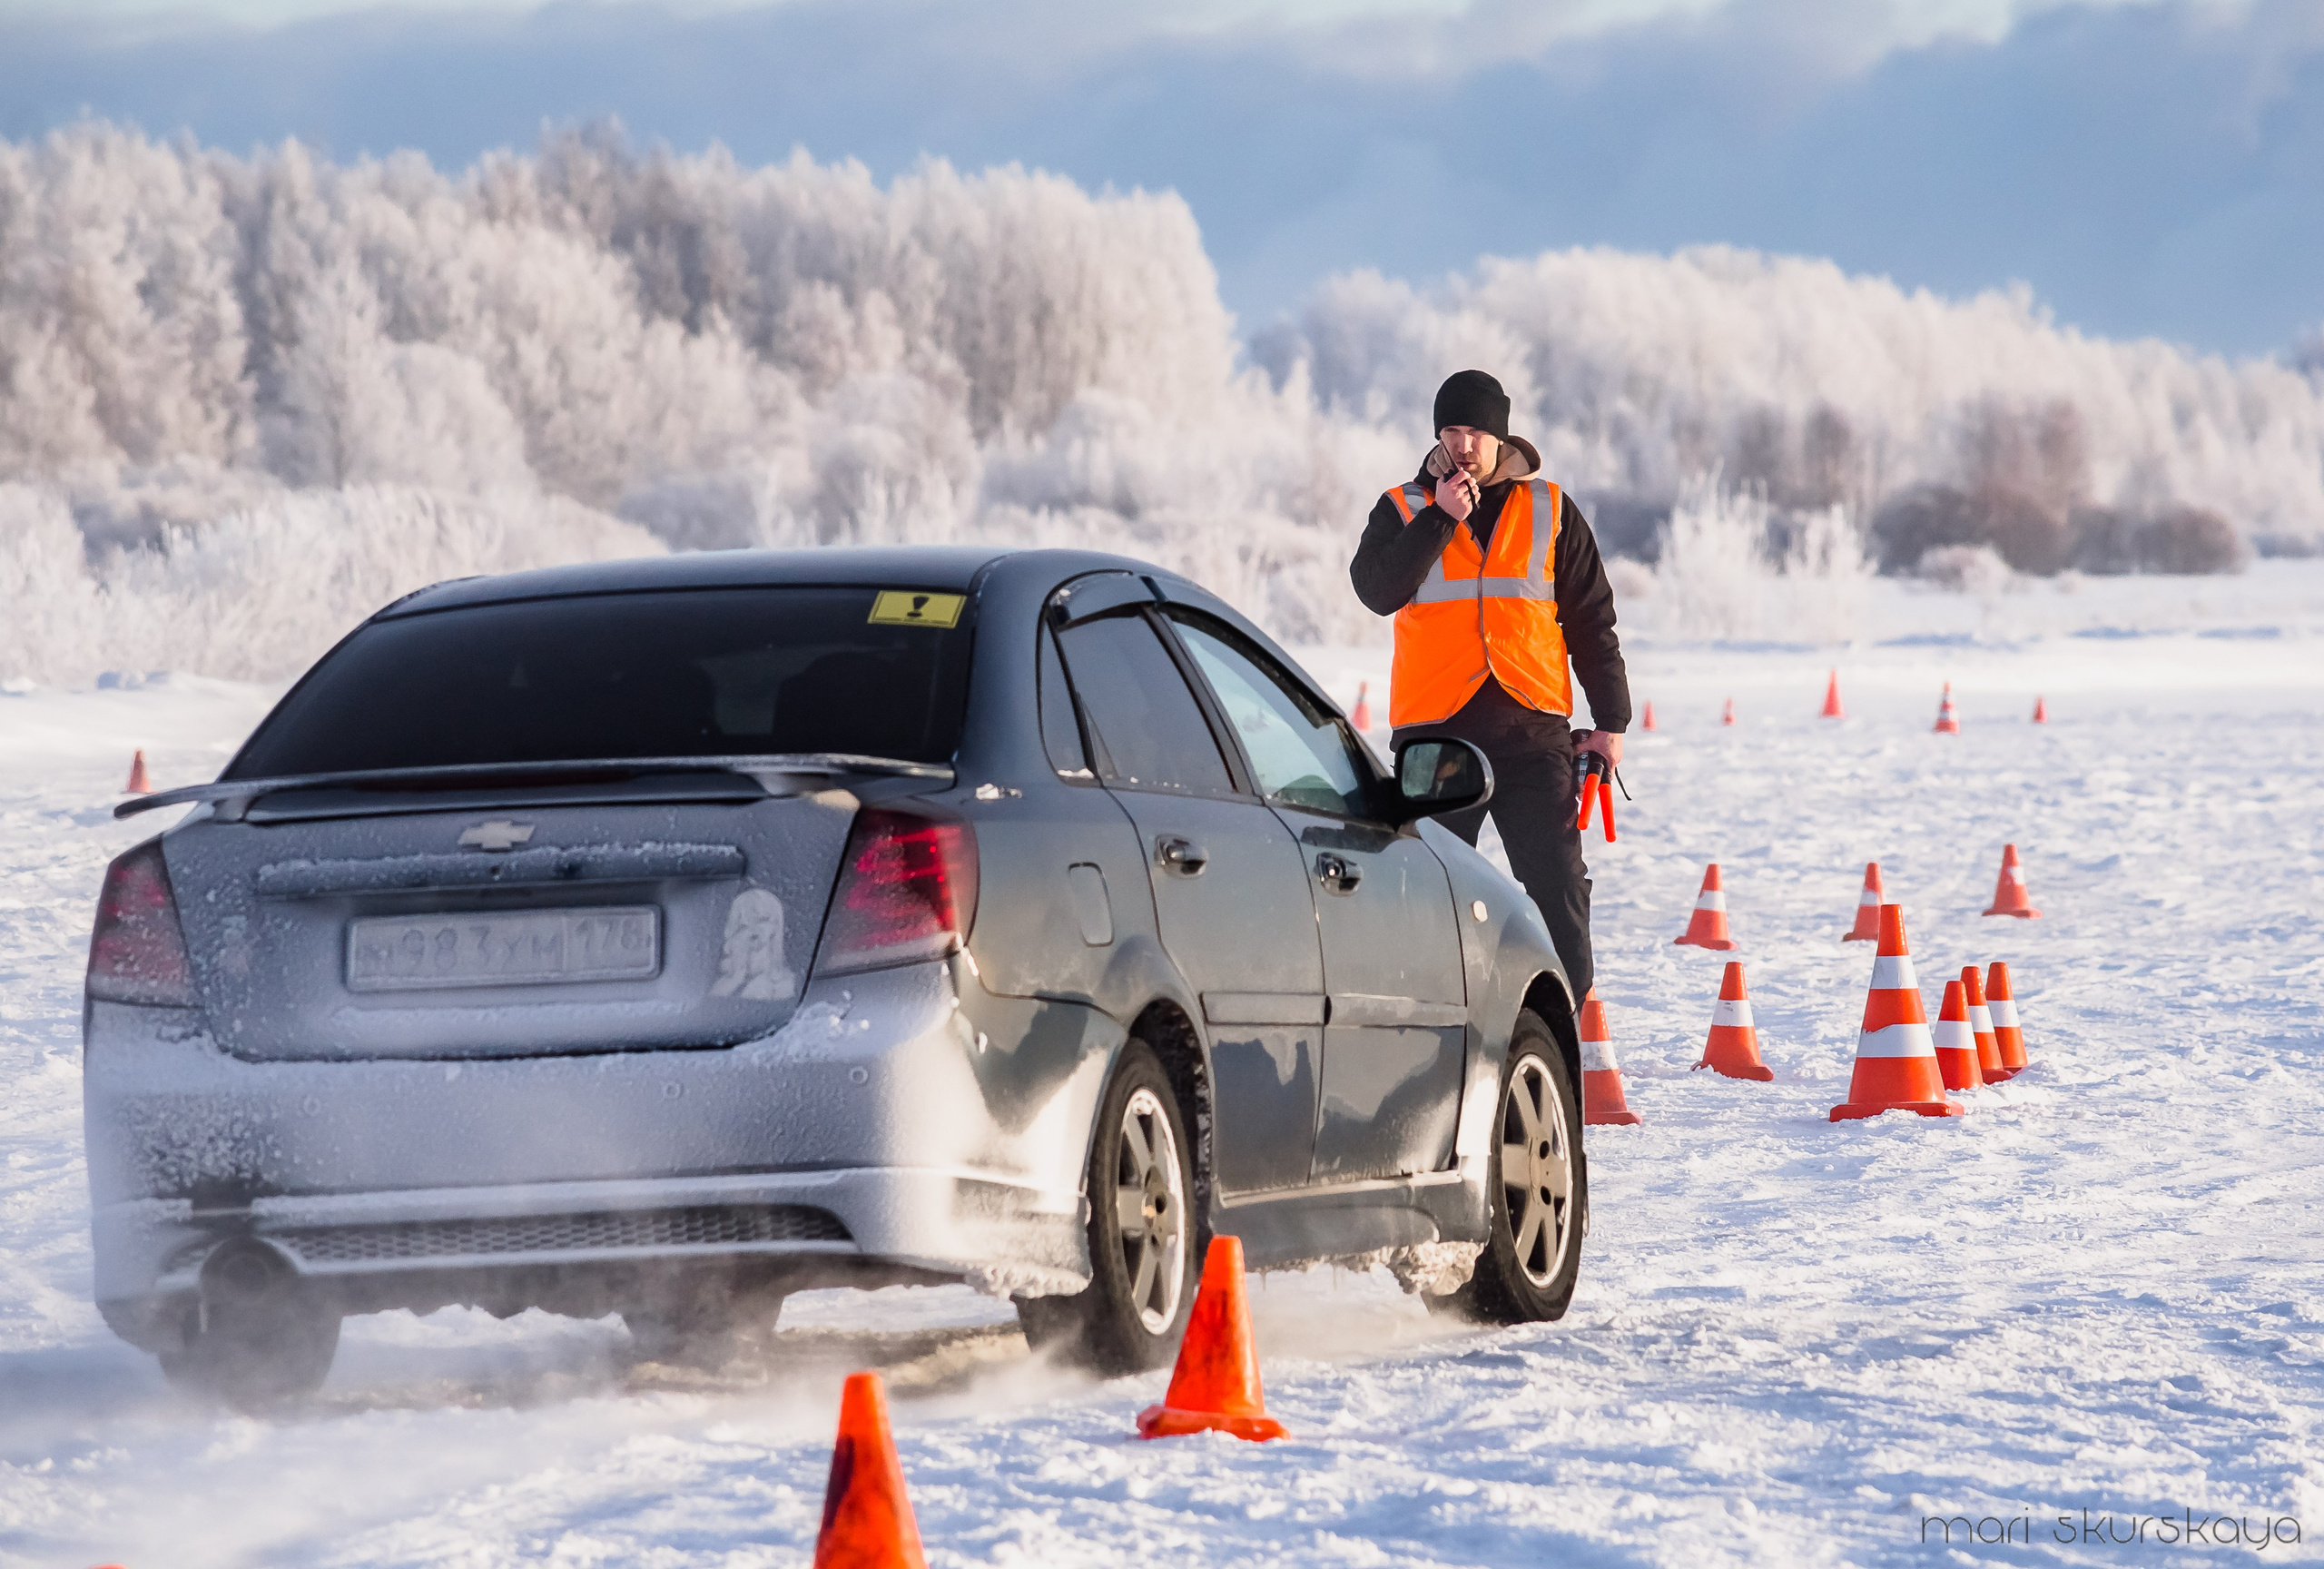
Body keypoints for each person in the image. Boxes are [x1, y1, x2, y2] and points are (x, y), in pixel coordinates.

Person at [1349, 369, 1630, 1001]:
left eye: (1476, 431)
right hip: (1435, 736)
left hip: (1531, 732)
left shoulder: (1550, 508)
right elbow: (1375, 591)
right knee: (1426, 889)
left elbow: (1591, 617)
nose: (1463, 444)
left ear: (1500, 437)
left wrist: (1611, 721)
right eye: (1451, 430)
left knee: (1559, 882)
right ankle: (1435, 1019)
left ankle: (1565, 1023)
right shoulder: (1402, 507)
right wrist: (1439, 521)